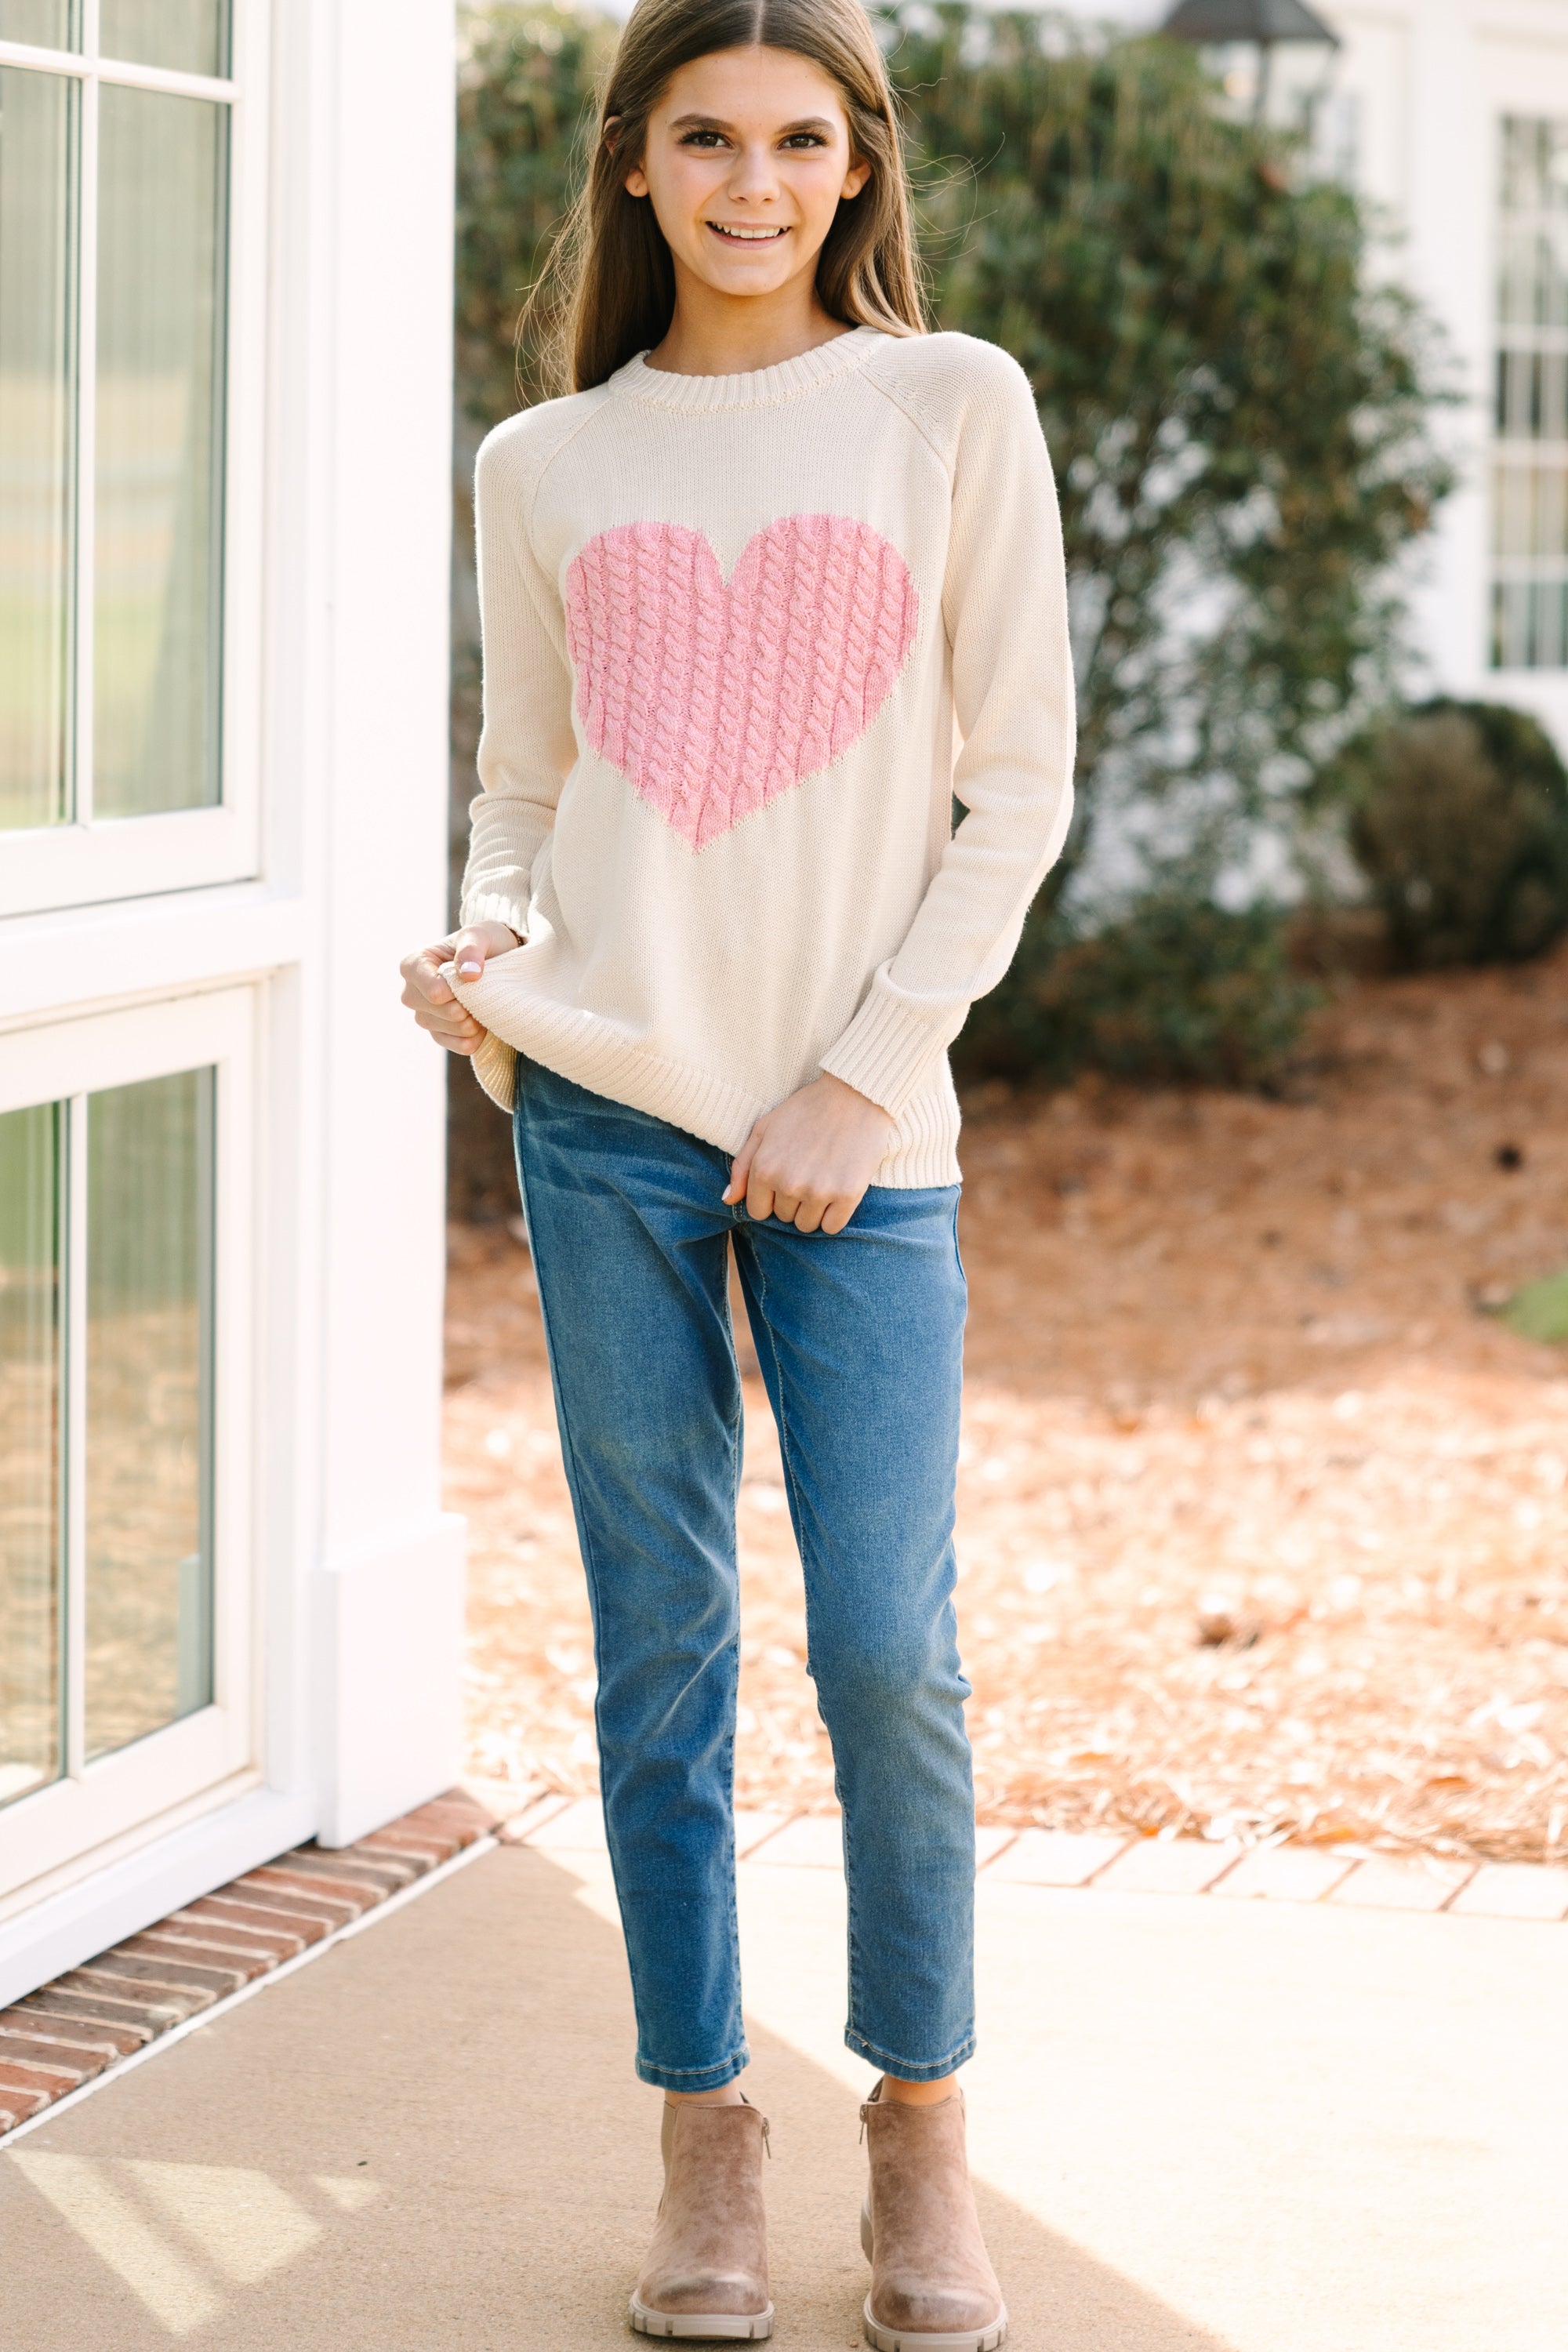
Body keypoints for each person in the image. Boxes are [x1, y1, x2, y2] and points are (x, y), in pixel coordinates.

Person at [401, 0, 1073, 2339]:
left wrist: (862, 1074)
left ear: (862, 167)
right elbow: (525, 782)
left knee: (889, 1645)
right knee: (659, 1648)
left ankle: (920, 2133)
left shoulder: (949, 405)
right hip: (599, 1124)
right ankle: (705, 2129)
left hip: (857, 1139)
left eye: (802, 141)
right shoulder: (542, 460)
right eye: (707, 137)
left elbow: (1019, 787)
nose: (756, 184)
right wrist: (491, 962)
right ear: (634, 168)